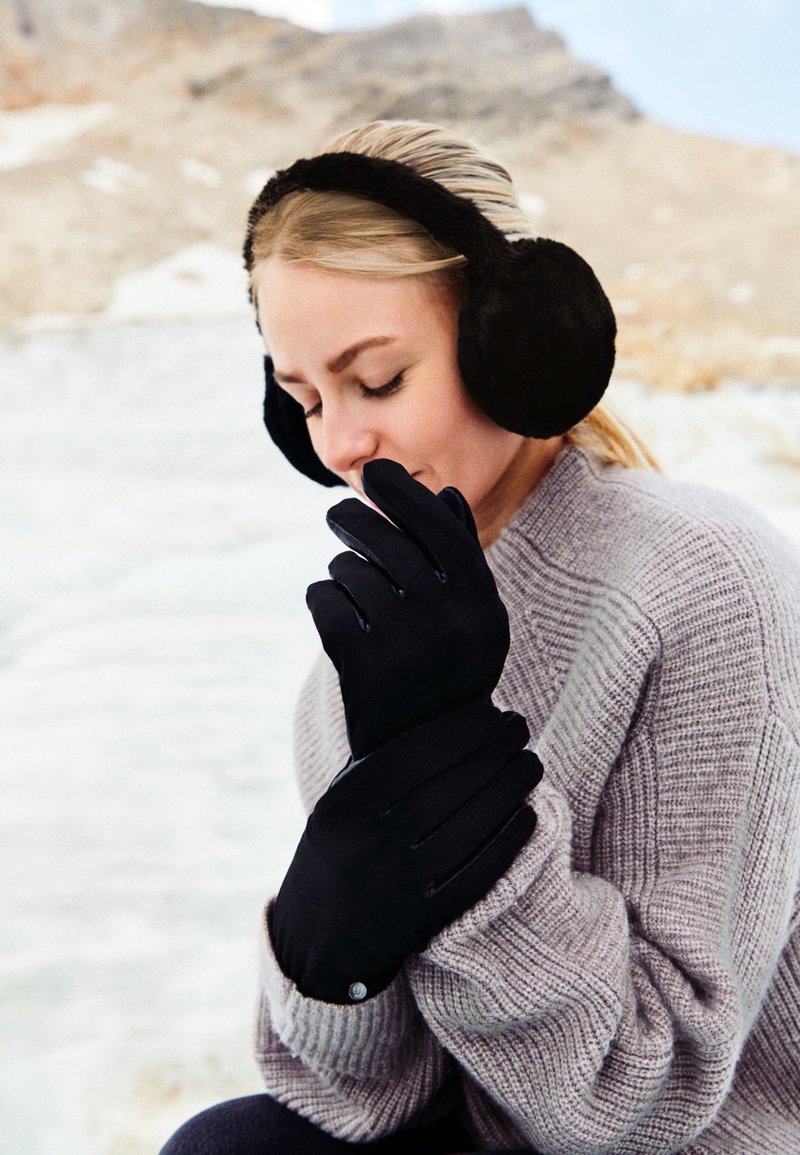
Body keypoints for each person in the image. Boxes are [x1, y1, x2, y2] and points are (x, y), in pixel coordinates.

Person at [159, 120, 800, 1154]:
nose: (339, 444)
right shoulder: (368, 650)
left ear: (513, 345)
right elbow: (353, 1099)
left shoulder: (707, 581)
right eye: (305, 399)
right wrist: (329, 949)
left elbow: (639, 1103)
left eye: (376, 381)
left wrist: (458, 792)